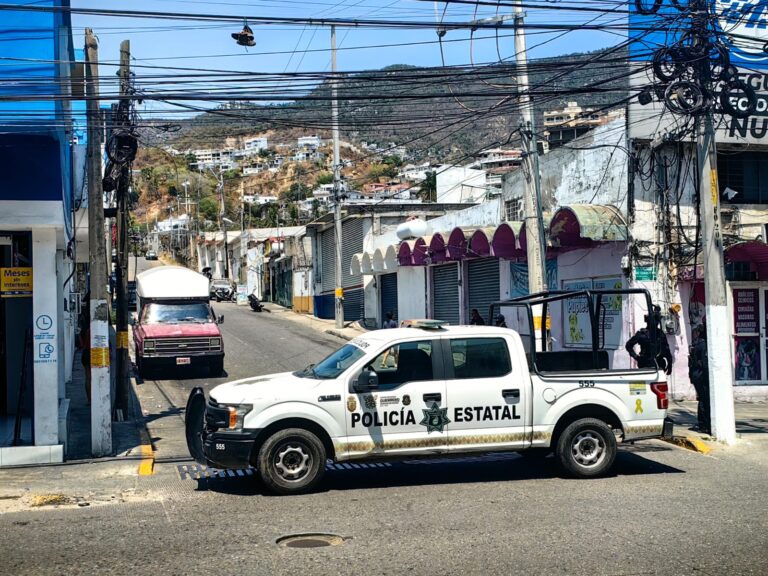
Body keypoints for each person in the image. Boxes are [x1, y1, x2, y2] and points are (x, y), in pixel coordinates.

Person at [625, 306, 673, 375]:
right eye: (655, 320)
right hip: (645, 365)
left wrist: (670, 365)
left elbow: (666, 350)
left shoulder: (660, 334)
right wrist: (637, 358)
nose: (656, 323)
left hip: (658, 365)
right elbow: (628, 345)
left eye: (657, 321)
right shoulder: (642, 334)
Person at [688, 324, 711, 434]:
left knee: (702, 399)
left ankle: (703, 423)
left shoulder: (696, 343)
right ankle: (704, 425)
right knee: (705, 400)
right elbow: (705, 363)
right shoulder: (704, 345)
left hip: (696, 375)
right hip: (701, 375)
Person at [77, 293, 91, 404]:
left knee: (88, 377)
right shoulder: (93, 328)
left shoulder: (83, 327)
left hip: (85, 352)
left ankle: (89, 400)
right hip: (93, 352)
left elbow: (81, 344)